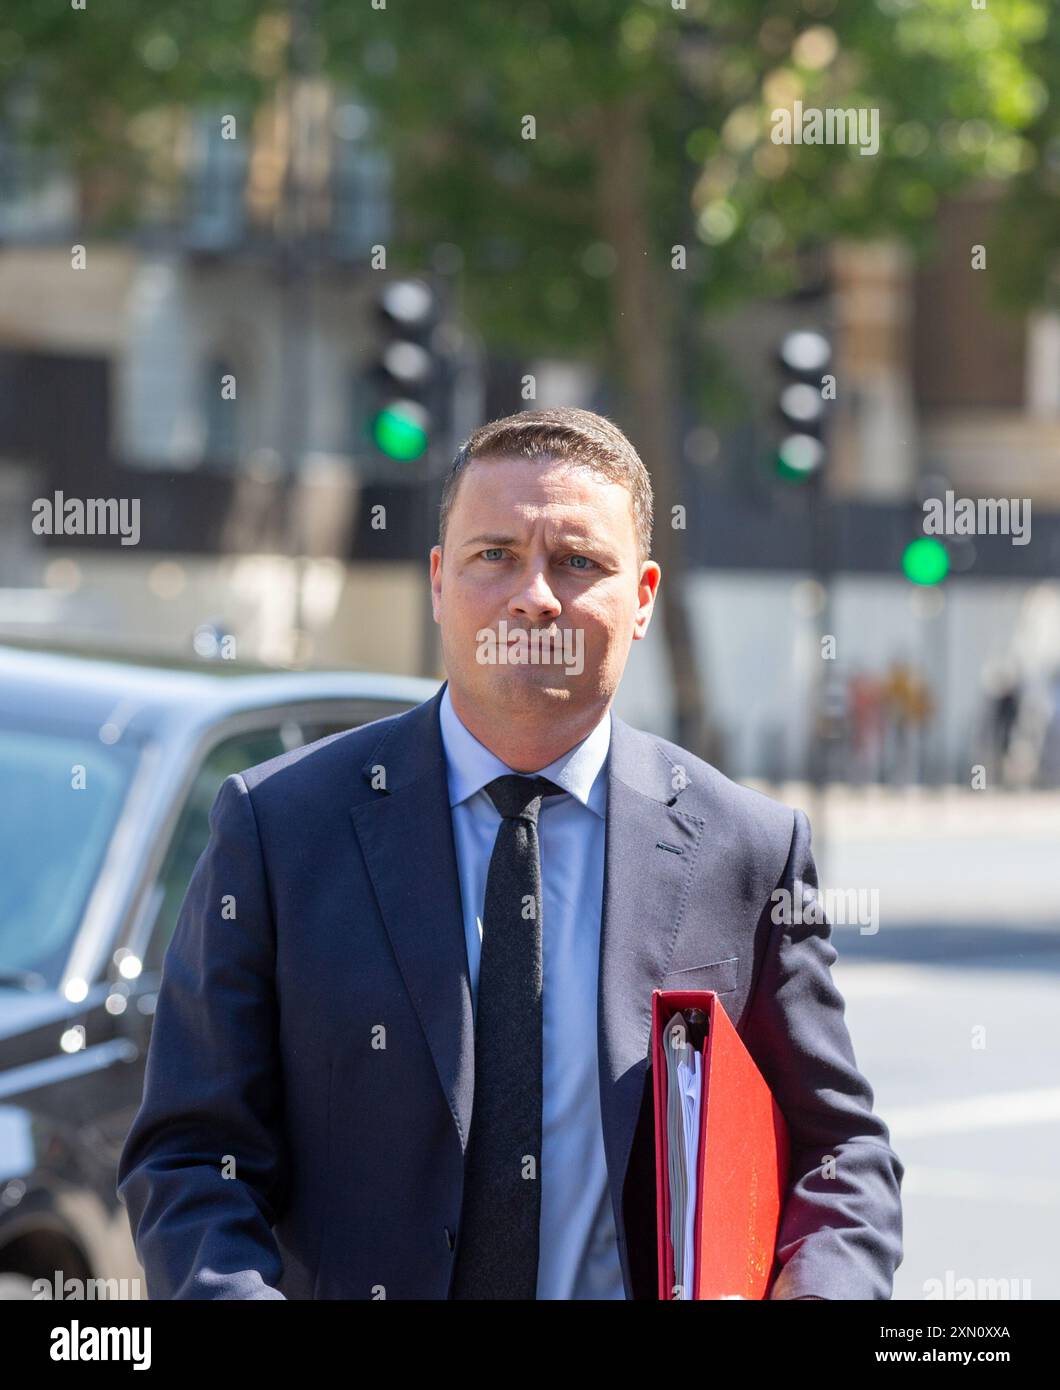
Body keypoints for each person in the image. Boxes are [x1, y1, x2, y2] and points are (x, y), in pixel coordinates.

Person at [117, 405, 903, 1300]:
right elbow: (189, 1158)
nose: (535, 594)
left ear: (642, 598)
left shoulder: (748, 848)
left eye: (578, 562)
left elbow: (840, 1154)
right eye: (495, 555)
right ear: (439, 581)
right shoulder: (278, 829)